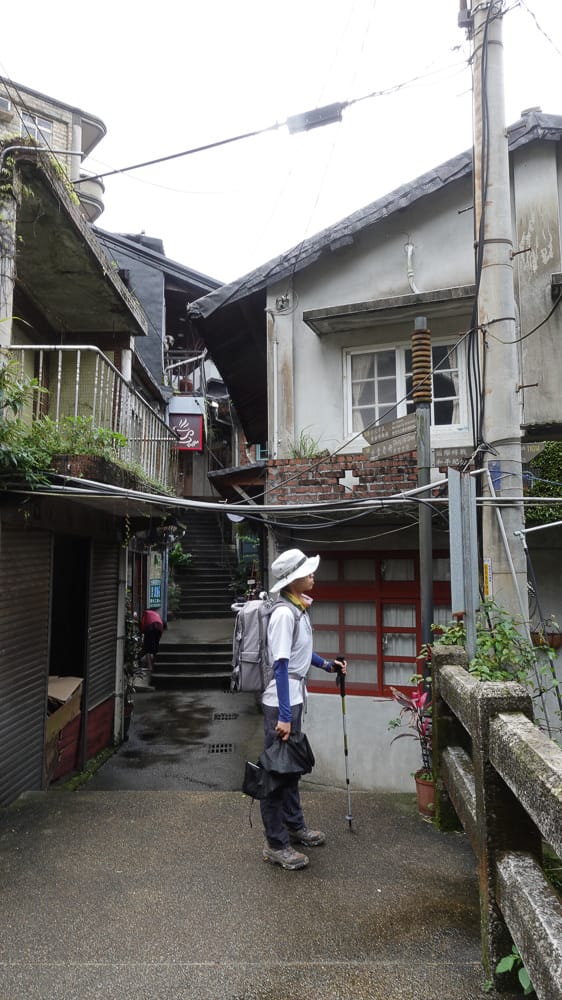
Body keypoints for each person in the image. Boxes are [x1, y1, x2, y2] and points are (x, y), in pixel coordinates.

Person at [261, 548, 347, 871]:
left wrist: (327, 665)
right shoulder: (284, 614)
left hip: (293, 699)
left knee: (291, 768)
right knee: (275, 774)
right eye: (306, 572)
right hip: (281, 704)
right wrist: (284, 715)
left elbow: (301, 653)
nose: (313, 575)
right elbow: (281, 666)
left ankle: (295, 827)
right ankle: (276, 844)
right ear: (291, 580)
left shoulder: (297, 610)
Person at [138, 608, 164, 689]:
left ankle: (150, 667)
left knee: (148, 648)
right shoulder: (156, 614)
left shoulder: (145, 613)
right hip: (159, 627)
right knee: (155, 646)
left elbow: (143, 625)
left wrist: (142, 633)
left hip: (150, 627)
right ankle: (155, 662)